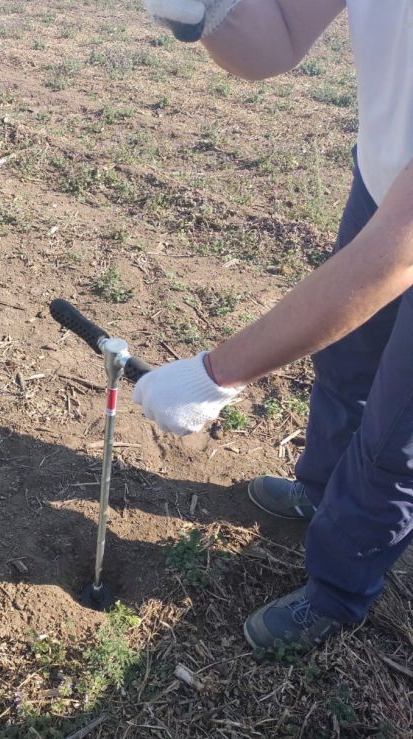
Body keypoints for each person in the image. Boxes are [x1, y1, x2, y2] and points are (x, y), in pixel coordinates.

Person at [134, 0, 413, 651]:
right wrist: (205, 13)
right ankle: (317, 493)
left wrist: (214, 374)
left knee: (396, 437)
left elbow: (394, 253)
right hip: (385, 177)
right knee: (346, 366)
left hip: (400, 224)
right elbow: (280, 35)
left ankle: (337, 592)